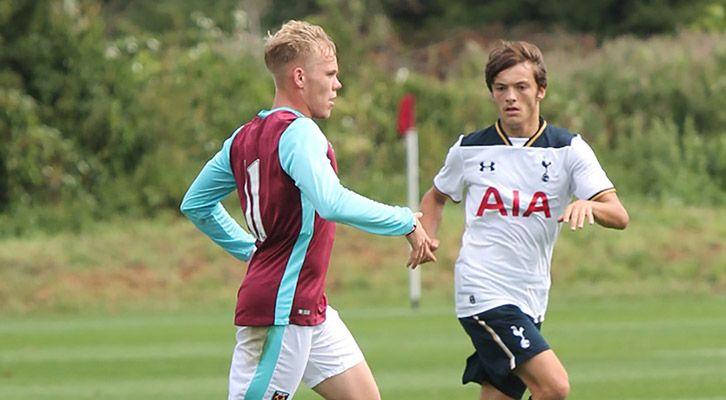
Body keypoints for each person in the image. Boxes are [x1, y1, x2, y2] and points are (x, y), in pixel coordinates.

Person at [180, 20, 434, 400]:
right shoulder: (300, 133)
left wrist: (252, 250)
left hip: (308, 304)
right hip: (282, 309)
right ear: (299, 77)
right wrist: (402, 220)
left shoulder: (242, 138)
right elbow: (330, 201)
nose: (337, 85)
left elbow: (196, 204)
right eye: (330, 74)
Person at [418, 41, 629, 400]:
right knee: (554, 387)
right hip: (482, 290)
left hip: (531, 295)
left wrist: (589, 206)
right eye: (501, 88)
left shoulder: (567, 149)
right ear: (492, 93)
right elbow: (437, 196)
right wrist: (424, 235)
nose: (510, 97)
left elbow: (619, 214)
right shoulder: (469, 149)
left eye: (521, 87)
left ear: (541, 91)